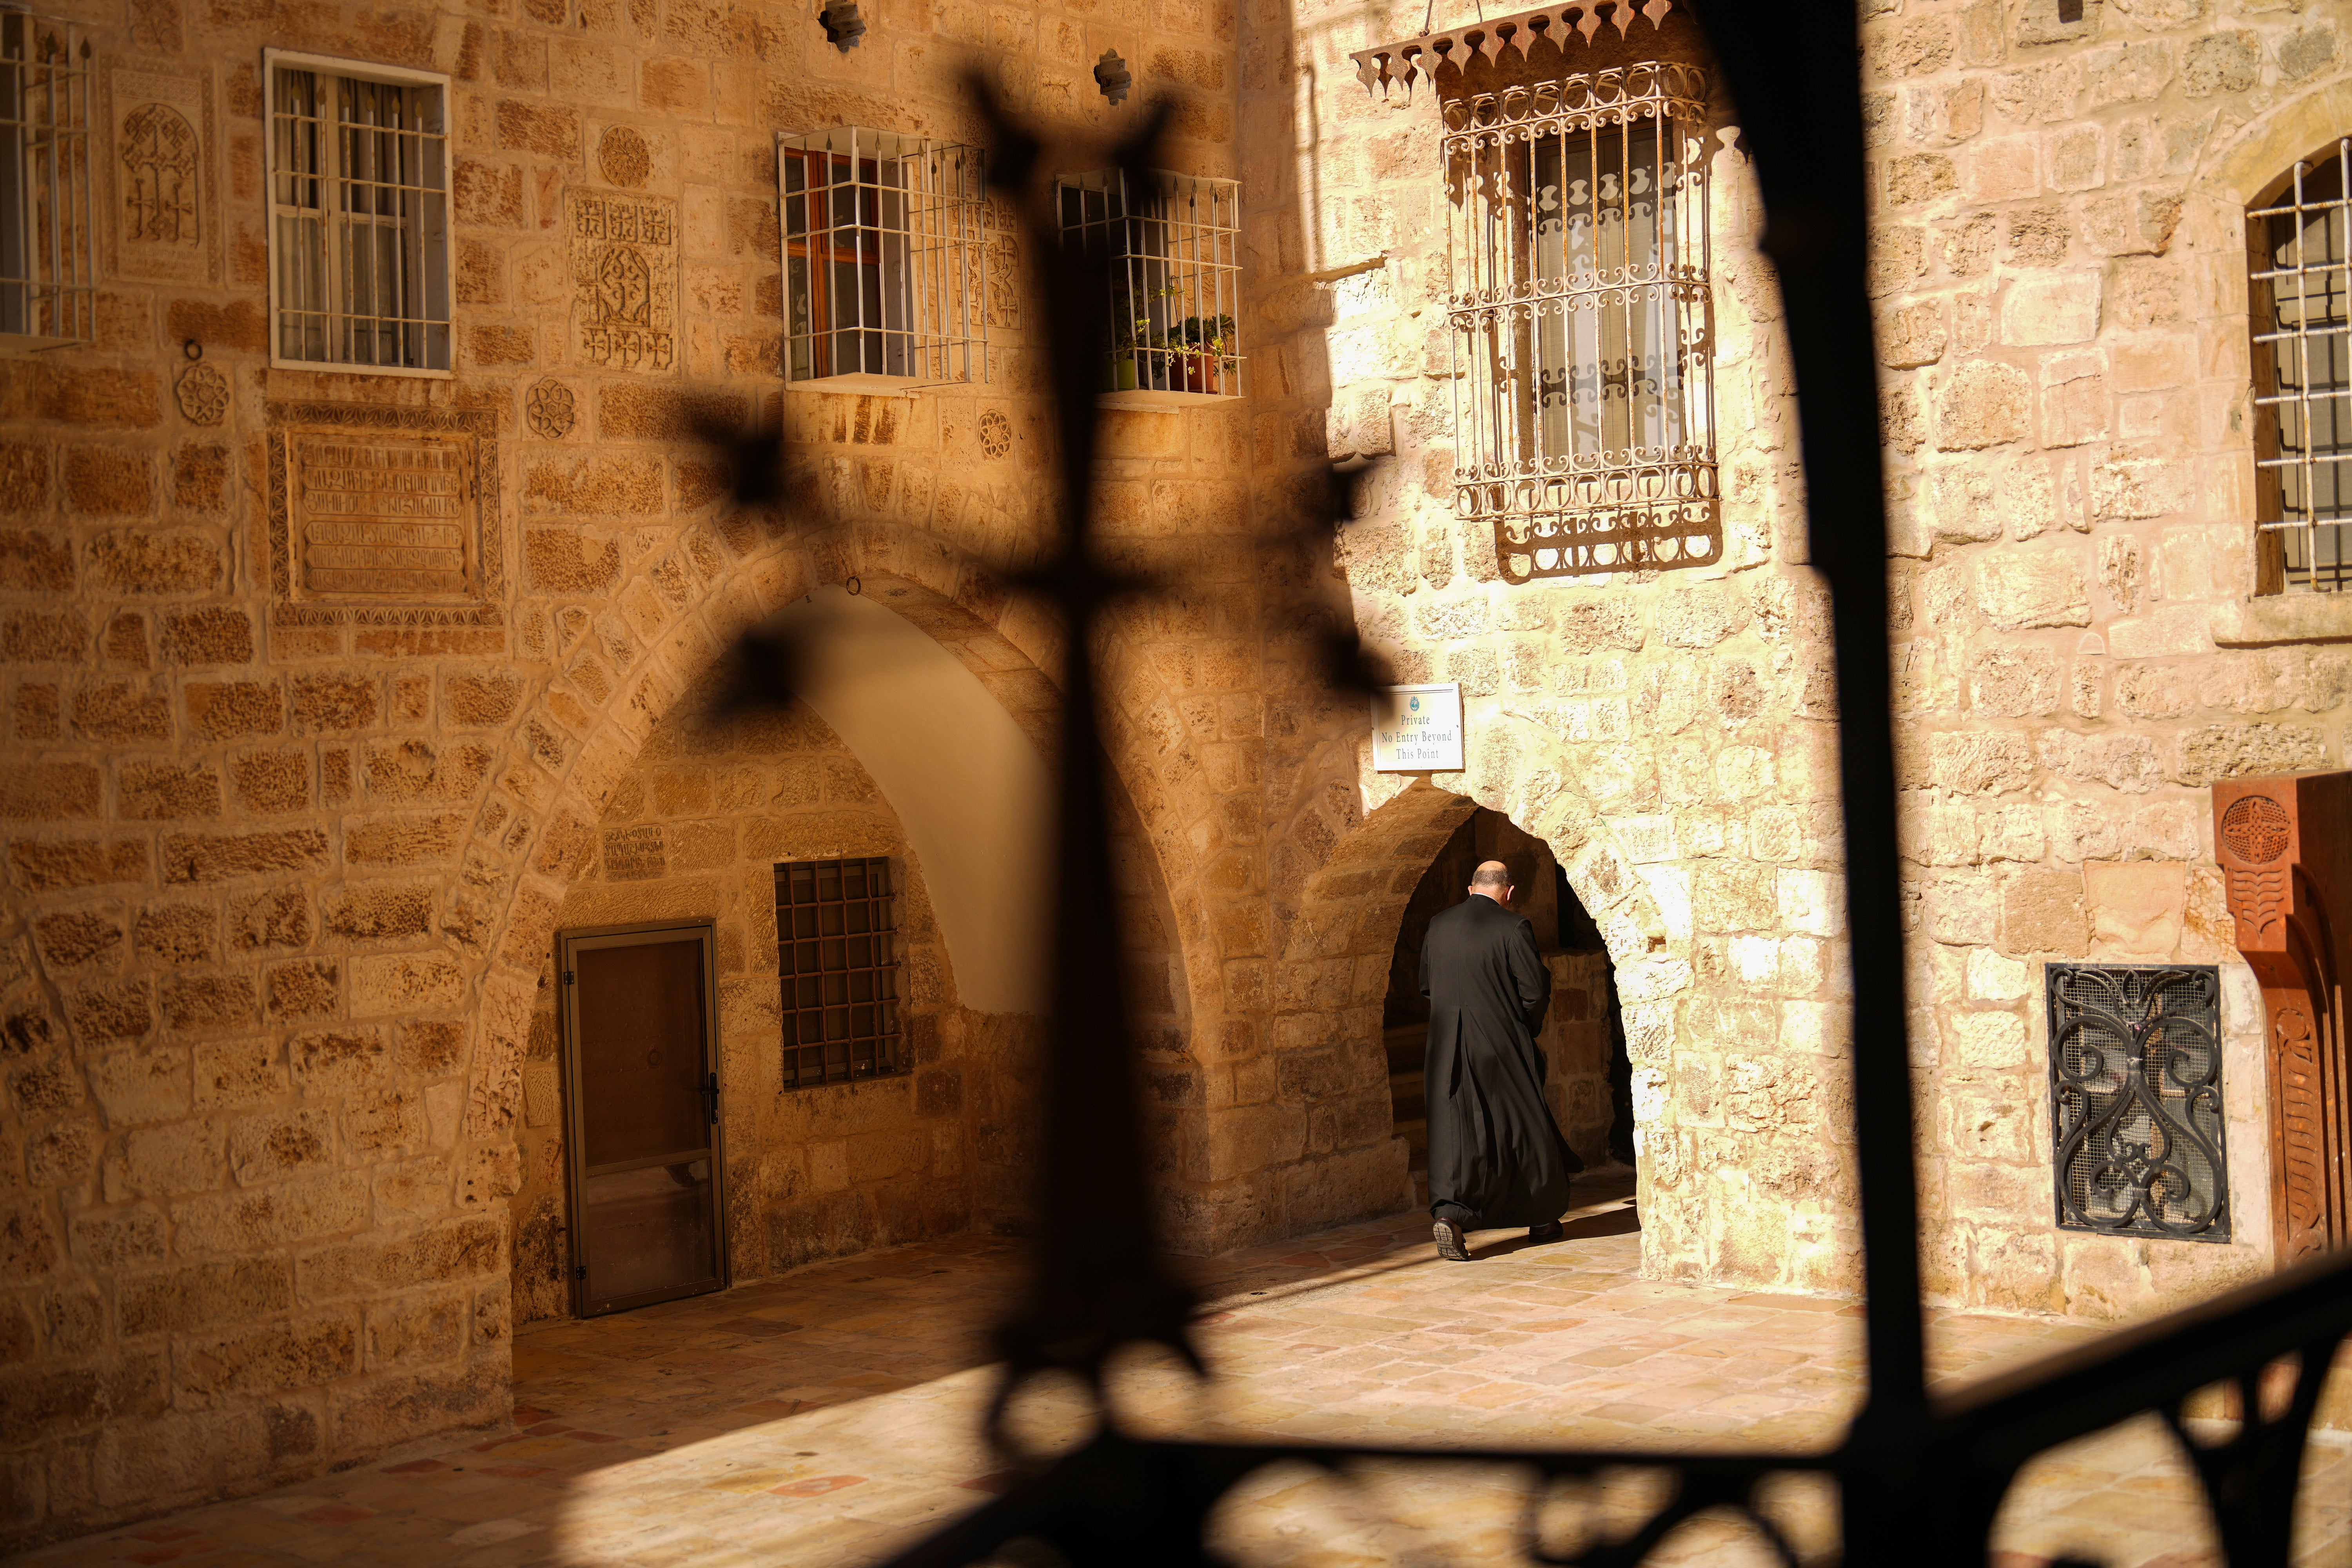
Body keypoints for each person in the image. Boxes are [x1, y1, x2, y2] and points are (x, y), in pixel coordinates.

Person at [1419, 859, 1582, 1261]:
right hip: (1500, 1043)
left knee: (1454, 1132)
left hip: (1445, 1047)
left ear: (1470, 887)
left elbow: (1426, 985)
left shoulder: (1438, 925)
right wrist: (1521, 1028)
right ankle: (1541, 1216)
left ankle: (1450, 1215)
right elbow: (1534, 991)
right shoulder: (1514, 927)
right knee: (1524, 1125)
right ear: (1508, 891)